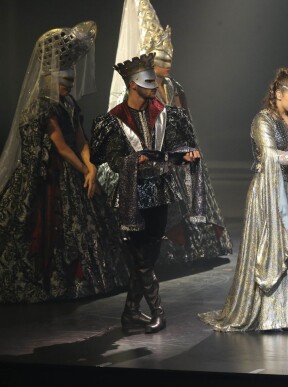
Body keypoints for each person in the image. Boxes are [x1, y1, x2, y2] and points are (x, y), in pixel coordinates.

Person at [0, 21, 129, 303]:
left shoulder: (69, 103)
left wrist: (91, 166)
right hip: (49, 174)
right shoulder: (43, 106)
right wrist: (86, 170)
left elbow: (81, 141)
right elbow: (60, 147)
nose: (67, 88)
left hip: (75, 168)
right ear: (49, 80)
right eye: (62, 83)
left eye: (70, 83)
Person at [198, 68, 288, 332]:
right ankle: (274, 316)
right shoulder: (263, 120)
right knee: (273, 248)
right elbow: (272, 156)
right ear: (279, 94)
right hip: (269, 193)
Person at [99, 0, 232, 264]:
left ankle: (182, 248)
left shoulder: (173, 86)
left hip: (175, 147)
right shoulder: (142, 90)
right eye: (162, 59)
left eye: (170, 58)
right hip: (153, 151)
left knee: (190, 182)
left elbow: (183, 118)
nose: (167, 63)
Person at [90, 53, 204, 334]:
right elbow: (114, 160)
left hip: (160, 193)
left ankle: (130, 312)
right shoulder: (115, 120)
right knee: (141, 259)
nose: (153, 86)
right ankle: (158, 313)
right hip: (132, 195)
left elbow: (175, 148)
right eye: (147, 81)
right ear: (132, 85)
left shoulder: (164, 114)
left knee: (148, 258)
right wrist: (134, 161)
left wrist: (185, 156)